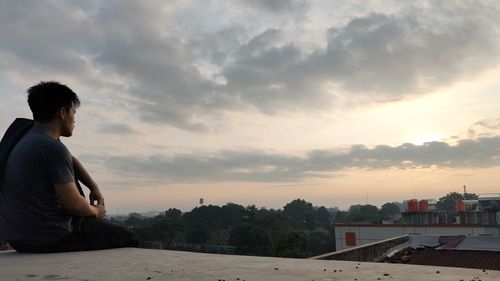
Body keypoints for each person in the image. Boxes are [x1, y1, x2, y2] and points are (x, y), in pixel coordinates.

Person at [0, 81, 138, 252]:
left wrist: (93, 187)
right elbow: (73, 204)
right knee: (127, 236)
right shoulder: (52, 148)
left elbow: (70, 160)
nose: (75, 119)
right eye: (74, 112)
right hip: (49, 237)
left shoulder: (26, 136)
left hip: (19, 237)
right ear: (62, 113)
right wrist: (96, 211)